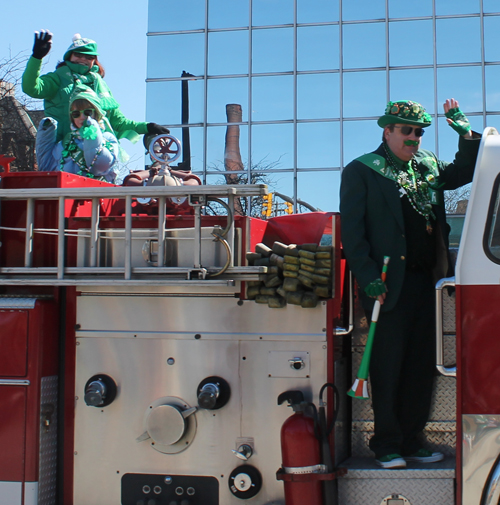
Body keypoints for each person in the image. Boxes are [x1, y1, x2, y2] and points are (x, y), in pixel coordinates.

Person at [340, 98, 481, 469]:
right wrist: (368, 277)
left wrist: (465, 133)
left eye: (419, 131)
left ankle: (412, 438)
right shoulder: (362, 171)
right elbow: (352, 235)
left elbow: (466, 172)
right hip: (386, 285)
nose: (415, 137)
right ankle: (386, 442)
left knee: (421, 364)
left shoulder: (428, 166)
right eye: (407, 130)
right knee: (388, 365)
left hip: (426, 281)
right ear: (387, 131)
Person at [22, 30, 169, 144]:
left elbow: (119, 123)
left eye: (89, 57)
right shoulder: (57, 78)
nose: (83, 60)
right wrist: (37, 57)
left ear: (94, 61)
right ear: (69, 56)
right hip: (62, 152)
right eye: (79, 55)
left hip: (95, 155)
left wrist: (148, 127)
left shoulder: (101, 85)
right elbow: (31, 88)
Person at [36, 86, 128, 185]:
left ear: (96, 113)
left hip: (95, 196)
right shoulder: (66, 142)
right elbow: (47, 168)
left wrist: (92, 133)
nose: (82, 117)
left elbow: (98, 167)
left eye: (87, 112)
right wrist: (46, 132)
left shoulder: (107, 138)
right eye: (76, 114)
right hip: (66, 197)